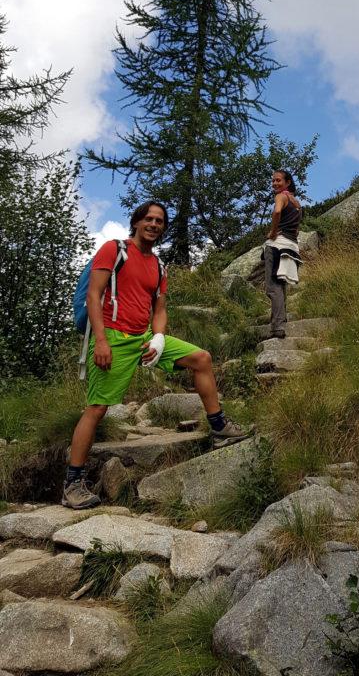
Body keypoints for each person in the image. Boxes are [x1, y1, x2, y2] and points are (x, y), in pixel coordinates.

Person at [62, 200, 249, 509]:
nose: (153, 224)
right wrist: (101, 341)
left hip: (143, 337)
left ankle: (220, 429)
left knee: (201, 358)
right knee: (97, 408)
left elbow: (159, 309)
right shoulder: (115, 249)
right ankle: (72, 483)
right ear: (136, 222)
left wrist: (159, 337)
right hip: (112, 336)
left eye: (159, 221)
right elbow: (94, 296)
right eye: (148, 218)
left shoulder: (159, 266)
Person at [264, 170, 303, 339]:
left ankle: (277, 327)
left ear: (287, 183)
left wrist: (272, 232)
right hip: (291, 246)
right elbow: (296, 227)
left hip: (277, 245)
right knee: (281, 284)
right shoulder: (296, 202)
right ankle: (282, 321)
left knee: (273, 287)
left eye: (278, 180)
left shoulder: (281, 197)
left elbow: (277, 212)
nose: (275, 183)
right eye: (273, 181)